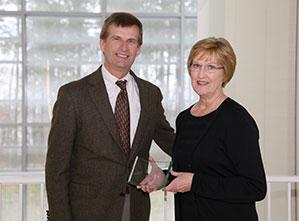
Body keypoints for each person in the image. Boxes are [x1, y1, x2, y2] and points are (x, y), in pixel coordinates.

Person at [45, 12, 175, 221]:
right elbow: (56, 167)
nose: (124, 48)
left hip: (136, 209)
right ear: (102, 43)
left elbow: (173, 143)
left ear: (138, 49)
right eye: (117, 39)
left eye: (131, 41)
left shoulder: (151, 94)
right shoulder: (73, 95)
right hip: (86, 213)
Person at [140, 37, 267, 221]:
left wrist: (195, 182)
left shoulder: (237, 120)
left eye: (211, 67)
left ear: (226, 73)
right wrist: (162, 178)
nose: (201, 75)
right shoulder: (184, 119)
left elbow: (254, 187)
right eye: (196, 65)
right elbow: (191, 170)